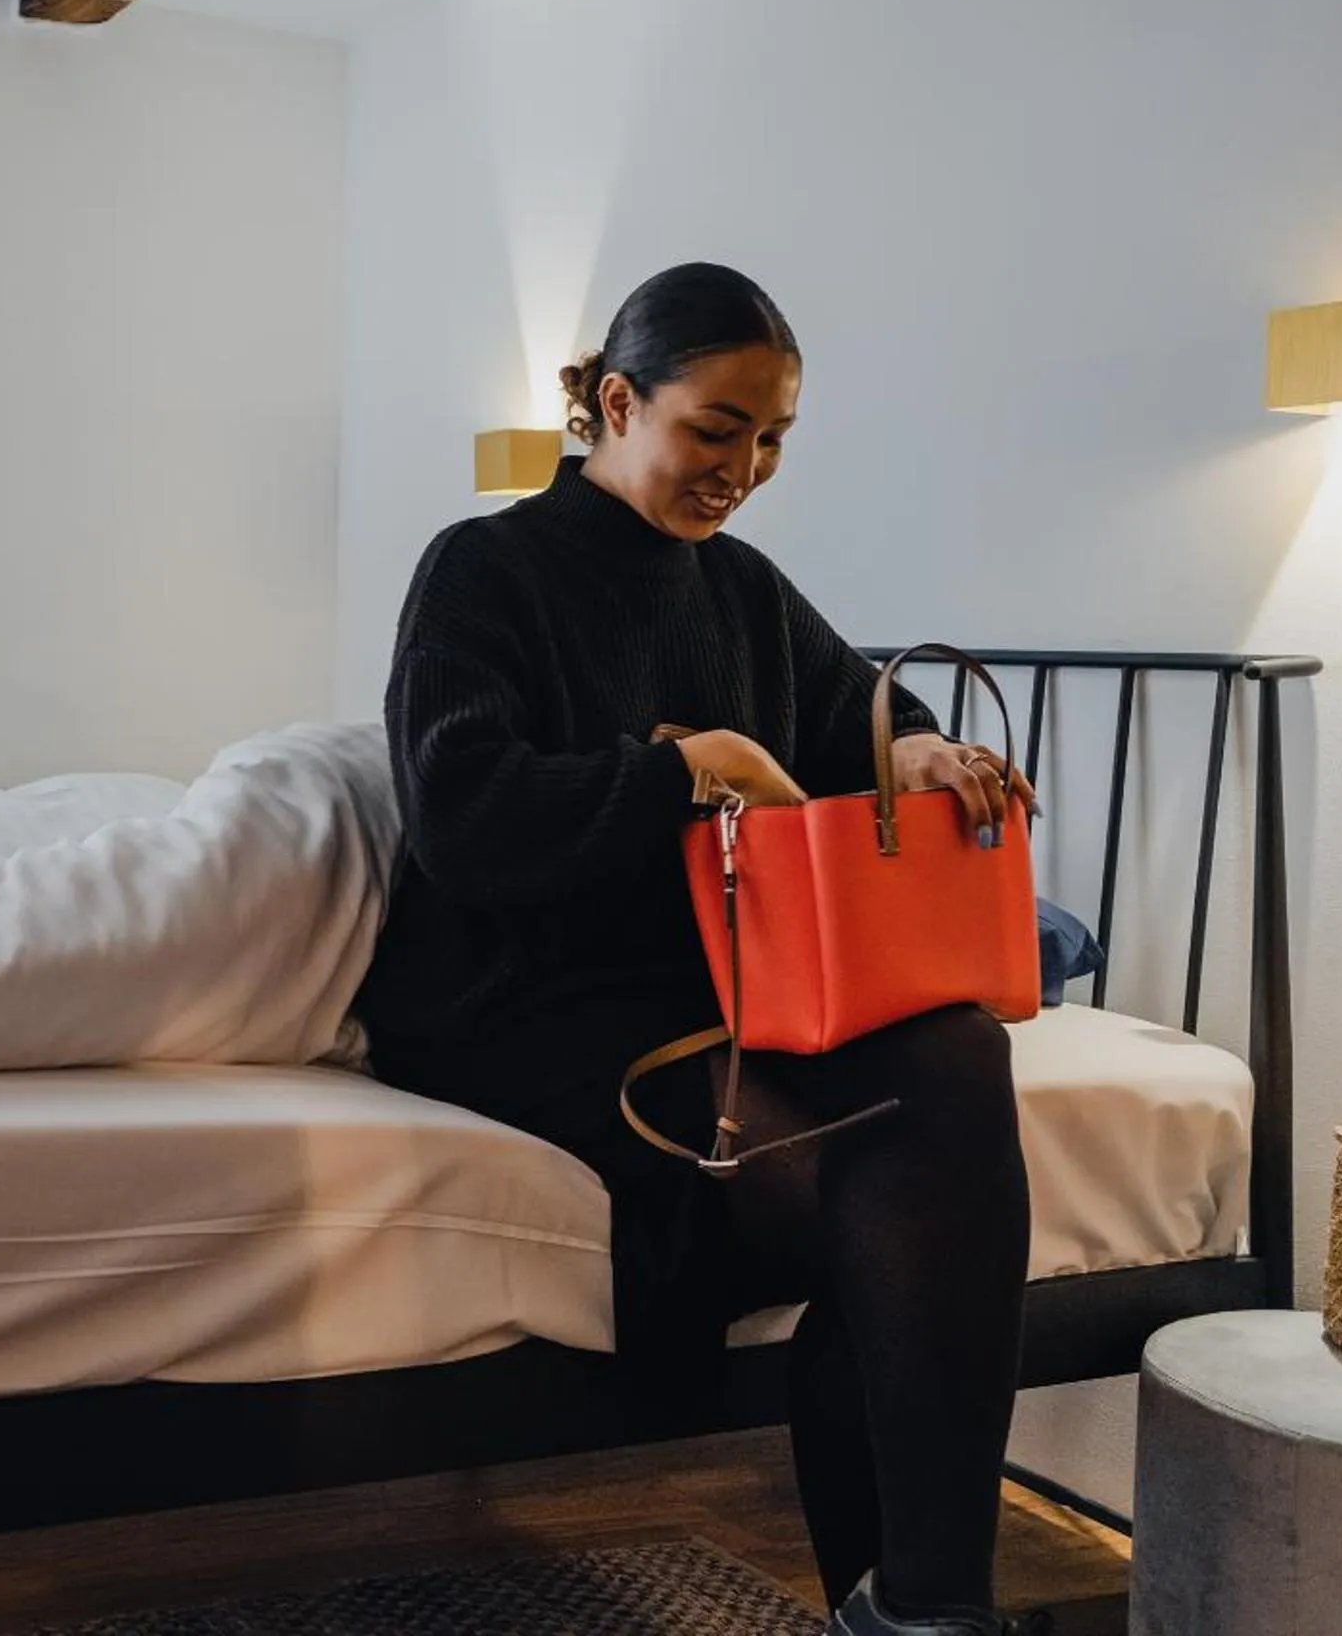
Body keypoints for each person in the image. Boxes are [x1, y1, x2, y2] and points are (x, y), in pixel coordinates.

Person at [353, 263, 1047, 1636]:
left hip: (726, 984)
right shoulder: (484, 567)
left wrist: (918, 751)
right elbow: (461, 815)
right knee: (889, 1208)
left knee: (957, 1056)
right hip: (523, 1000)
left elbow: (852, 717)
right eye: (716, 429)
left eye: (773, 439)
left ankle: (927, 1608)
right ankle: (911, 1607)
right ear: (617, 402)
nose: (744, 469)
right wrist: (686, 768)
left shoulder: (743, 588)